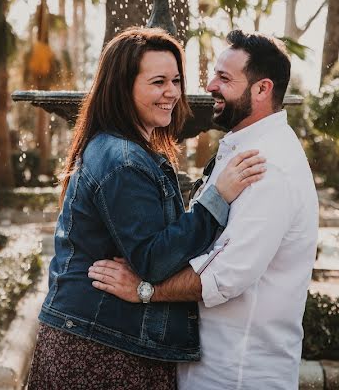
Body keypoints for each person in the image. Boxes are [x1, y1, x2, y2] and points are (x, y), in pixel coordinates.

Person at [26, 27, 265, 390]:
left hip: (98, 335)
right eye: (158, 82)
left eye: (175, 80)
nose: (171, 92)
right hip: (100, 350)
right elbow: (153, 260)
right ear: (124, 88)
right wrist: (219, 196)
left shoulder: (122, 149)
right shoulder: (124, 161)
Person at [89, 30, 319, 389]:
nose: (209, 85)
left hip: (239, 373)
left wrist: (144, 290)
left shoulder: (269, 167)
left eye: (224, 78)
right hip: (210, 367)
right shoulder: (243, 150)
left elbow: (224, 276)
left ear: (262, 89)